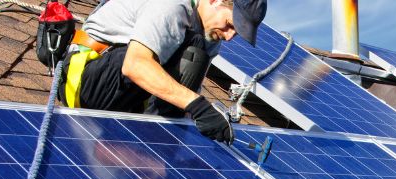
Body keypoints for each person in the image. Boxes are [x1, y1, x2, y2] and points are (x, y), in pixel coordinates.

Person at [57, 0, 267, 143]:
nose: (229, 36)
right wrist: (199, 107)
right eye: (230, 24)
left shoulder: (209, 36)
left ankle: (154, 145)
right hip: (85, 82)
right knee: (190, 52)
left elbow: (186, 92)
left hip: (126, 96)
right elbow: (135, 64)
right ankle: (149, 142)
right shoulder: (172, 5)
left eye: (236, 33)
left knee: (196, 51)